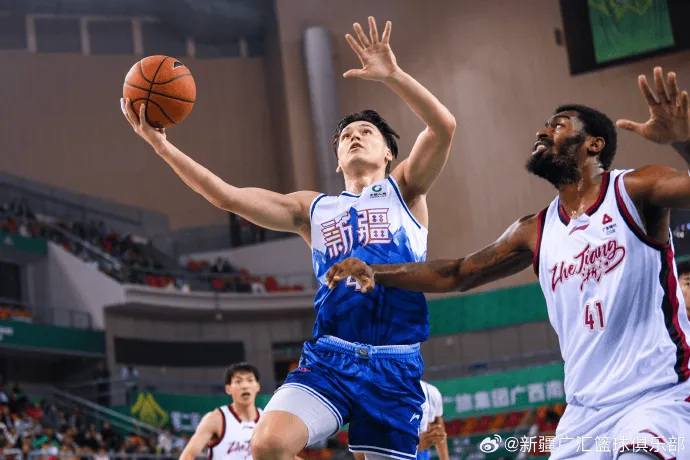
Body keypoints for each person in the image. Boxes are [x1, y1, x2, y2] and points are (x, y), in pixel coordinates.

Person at [122, 15, 456, 460]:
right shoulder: (311, 209)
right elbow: (226, 196)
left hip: (394, 363)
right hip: (330, 358)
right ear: (337, 159)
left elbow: (443, 127)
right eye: (345, 136)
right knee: (268, 444)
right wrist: (161, 146)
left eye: (366, 132)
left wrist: (393, 75)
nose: (354, 137)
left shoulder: (405, 190)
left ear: (389, 153)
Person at [326, 67, 690, 460]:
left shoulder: (634, 189)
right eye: (544, 126)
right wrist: (376, 272)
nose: (542, 132)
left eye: (558, 125)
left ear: (593, 144)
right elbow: (458, 273)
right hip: (586, 413)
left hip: (656, 395)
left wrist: (684, 139)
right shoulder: (534, 230)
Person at [179, 363, 277, 460]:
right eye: (238, 381)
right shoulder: (216, 419)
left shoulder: (266, 420)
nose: (245, 386)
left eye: (250, 380)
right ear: (228, 388)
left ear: (258, 386)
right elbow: (187, 455)